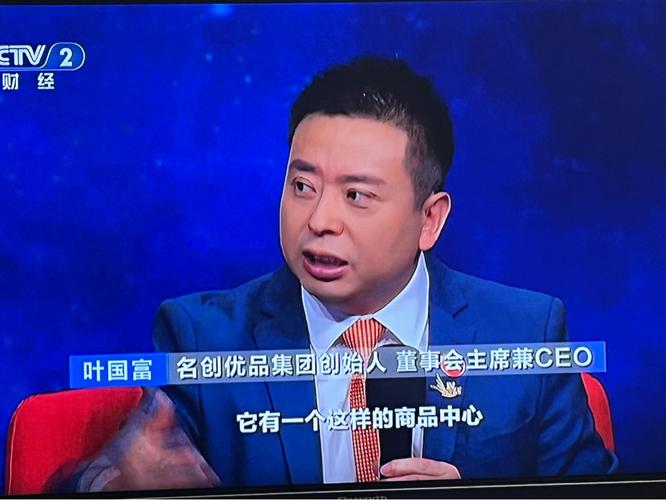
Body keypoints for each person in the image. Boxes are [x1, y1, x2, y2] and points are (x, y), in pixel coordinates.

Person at [66, 56, 618, 492]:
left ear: (429, 219)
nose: (319, 220)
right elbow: (98, 481)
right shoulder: (203, 336)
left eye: (356, 195)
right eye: (302, 186)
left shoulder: (526, 329)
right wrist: (111, 485)